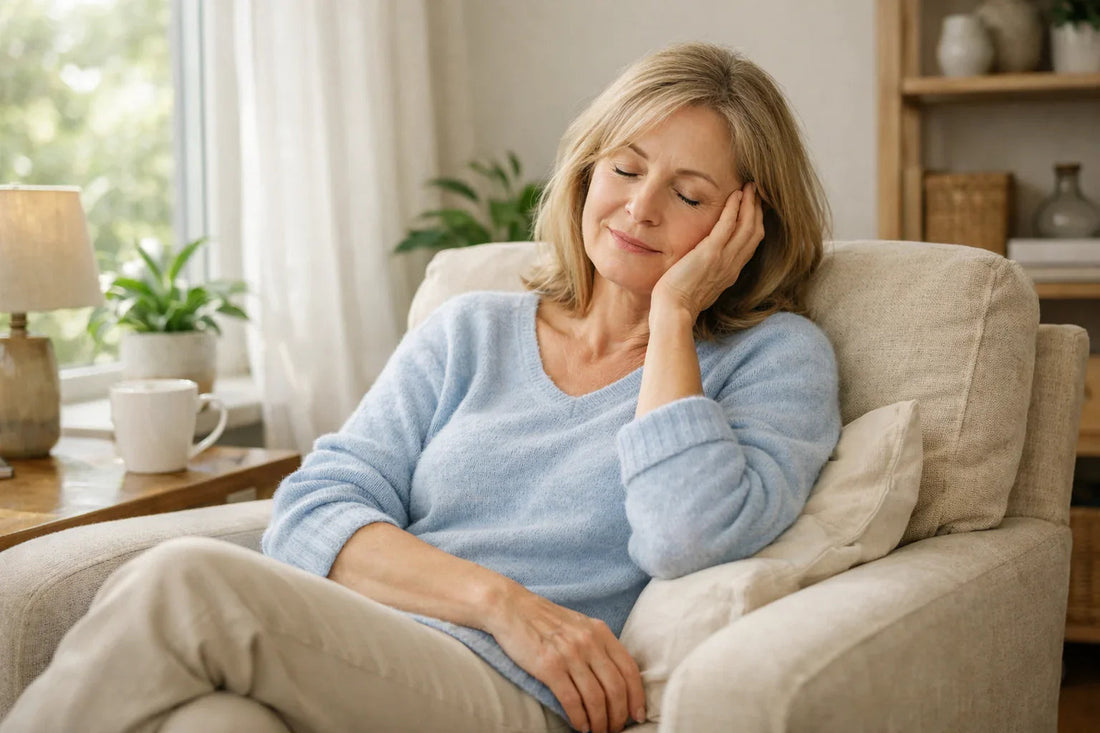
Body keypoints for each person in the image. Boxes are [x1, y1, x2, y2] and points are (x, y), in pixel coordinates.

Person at [1, 41, 840, 733]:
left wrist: (672, 319)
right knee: (214, 726)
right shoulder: (469, 330)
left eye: (689, 194)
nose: (641, 207)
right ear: (586, 172)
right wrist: (501, 601)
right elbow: (314, 507)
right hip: (367, 657)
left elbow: (684, 535)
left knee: (184, 579)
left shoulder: (775, 358)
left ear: (744, 224)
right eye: (624, 168)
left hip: (515, 698)